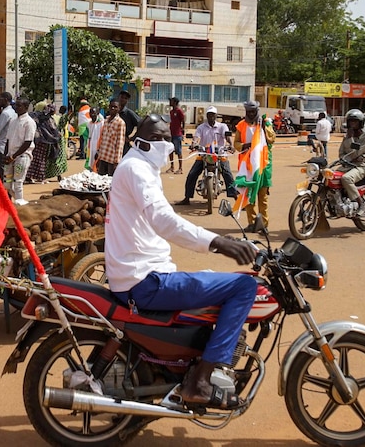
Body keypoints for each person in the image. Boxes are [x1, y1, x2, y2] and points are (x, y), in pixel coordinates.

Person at [105, 114, 257, 409]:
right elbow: (165, 221)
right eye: (159, 138)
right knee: (244, 286)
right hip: (145, 280)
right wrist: (218, 242)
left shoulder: (141, 168)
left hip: (142, 273)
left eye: (167, 137)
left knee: (212, 280)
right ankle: (200, 380)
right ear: (142, 142)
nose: (166, 144)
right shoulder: (137, 169)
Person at [175, 106, 237, 206]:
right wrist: (194, 143)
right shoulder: (201, 127)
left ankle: (235, 197)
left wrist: (231, 145)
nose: (211, 116)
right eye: (209, 114)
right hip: (204, 154)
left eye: (213, 114)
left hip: (219, 154)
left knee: (228, 174)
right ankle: (187, 198)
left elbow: (227, 136)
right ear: (206, 116)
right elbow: (196, 137)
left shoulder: (222, 126)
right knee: (192, 174)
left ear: (216, 116)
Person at [233, 100, 276, 232]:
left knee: (263, 198)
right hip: (247, 166)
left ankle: (264, 225)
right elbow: (236, 143)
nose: (251, 114)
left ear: (257, 111)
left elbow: (272, 139)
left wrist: (264, 127)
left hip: (263, 166)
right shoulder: (241, 125)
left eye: (253, 112)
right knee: (248, 196)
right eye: (248, 112)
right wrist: (244, 146)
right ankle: (251, 222)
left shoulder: (265, 123)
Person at [337, 109, 365, 215]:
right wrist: (346, 159)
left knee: (346, 178)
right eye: (351, 121)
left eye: (355, 122)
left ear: (361, 123)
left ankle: (361, 203)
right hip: (348, 165)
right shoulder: (346, 137)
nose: (352, 124)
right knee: (329, 176)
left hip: (362, 166)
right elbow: (341, 153)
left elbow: (355, 154)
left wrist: (350, 138)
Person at [4, 96, 36, 205]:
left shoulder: (29, 122)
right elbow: (8, 139)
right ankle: (17, 203)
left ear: (26, 107)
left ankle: (20, 207)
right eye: (15, 105)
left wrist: (14, 156)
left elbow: (27, 142)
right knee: (7, 184)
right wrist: (7, 155)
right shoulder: (13, 121)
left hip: (22, 157)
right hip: (10, 156)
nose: (16, 108)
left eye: (19, 106)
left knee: (18, 183)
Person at [27, 101, 57, 183]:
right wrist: (55, 138)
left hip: (36, 140)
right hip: (44, 141)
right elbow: (53, 130)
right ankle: (40, 178)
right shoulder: (46, 118)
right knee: (41, 160)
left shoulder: (33, 116)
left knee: (33, 159)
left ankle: (29, 177)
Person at [94, 98, 126, 175]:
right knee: (100, 181)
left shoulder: (120, 123)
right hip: (103, 157)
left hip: (112, 160)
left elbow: (120, 143)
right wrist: (99, 154)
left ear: (119, 108)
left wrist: (117, 162)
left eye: (115, 107)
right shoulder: (106, 121)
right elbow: (102, 139)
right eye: (111, 106)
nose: (112, 108)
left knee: (110, 183)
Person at [0, 91, 17, 180]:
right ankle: (8, 191)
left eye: (0, 99)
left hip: (1, 146)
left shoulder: (5, 114)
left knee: (2, 171)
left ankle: (4, 191)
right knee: (8, 172)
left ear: (5, 100)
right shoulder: (13, 112)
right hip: (9, 145)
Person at [43, 103, 68, 181]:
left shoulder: (49, 118)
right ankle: (57, 175)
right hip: (56, 141)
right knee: (57, 158)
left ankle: (49, 175)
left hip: (50, 140)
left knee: (52, 158)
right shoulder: (54, 119)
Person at [117, 89, 141, 155]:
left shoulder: (129, 114)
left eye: (125, 98)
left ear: (127, 101)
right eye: (122, 97)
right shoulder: (113, 111)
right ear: (119, 97)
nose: (123, 99)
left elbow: (141, 124)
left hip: (124, 144)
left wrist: (132, 138)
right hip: (112, 142)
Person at [167, 97, 185, 174]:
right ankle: (172, 167)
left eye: (171, 101)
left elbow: (183, 120)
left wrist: (182, 129)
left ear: (175, 102)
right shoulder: (171, 112)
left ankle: (180, 168)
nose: (169, 102)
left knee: (178, 151)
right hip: (171, 134)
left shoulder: (179, 111)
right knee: (170, 151)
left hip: (177, 134)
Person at [86, 107, 105, 171]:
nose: (92, 114)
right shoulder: (89, 124)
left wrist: (99, 149)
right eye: (90, 113)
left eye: (93, 113)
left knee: (97, 164)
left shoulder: (102, 123)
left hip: (98, 147)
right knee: (90, 163)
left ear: (97, 113)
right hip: (90, 147)